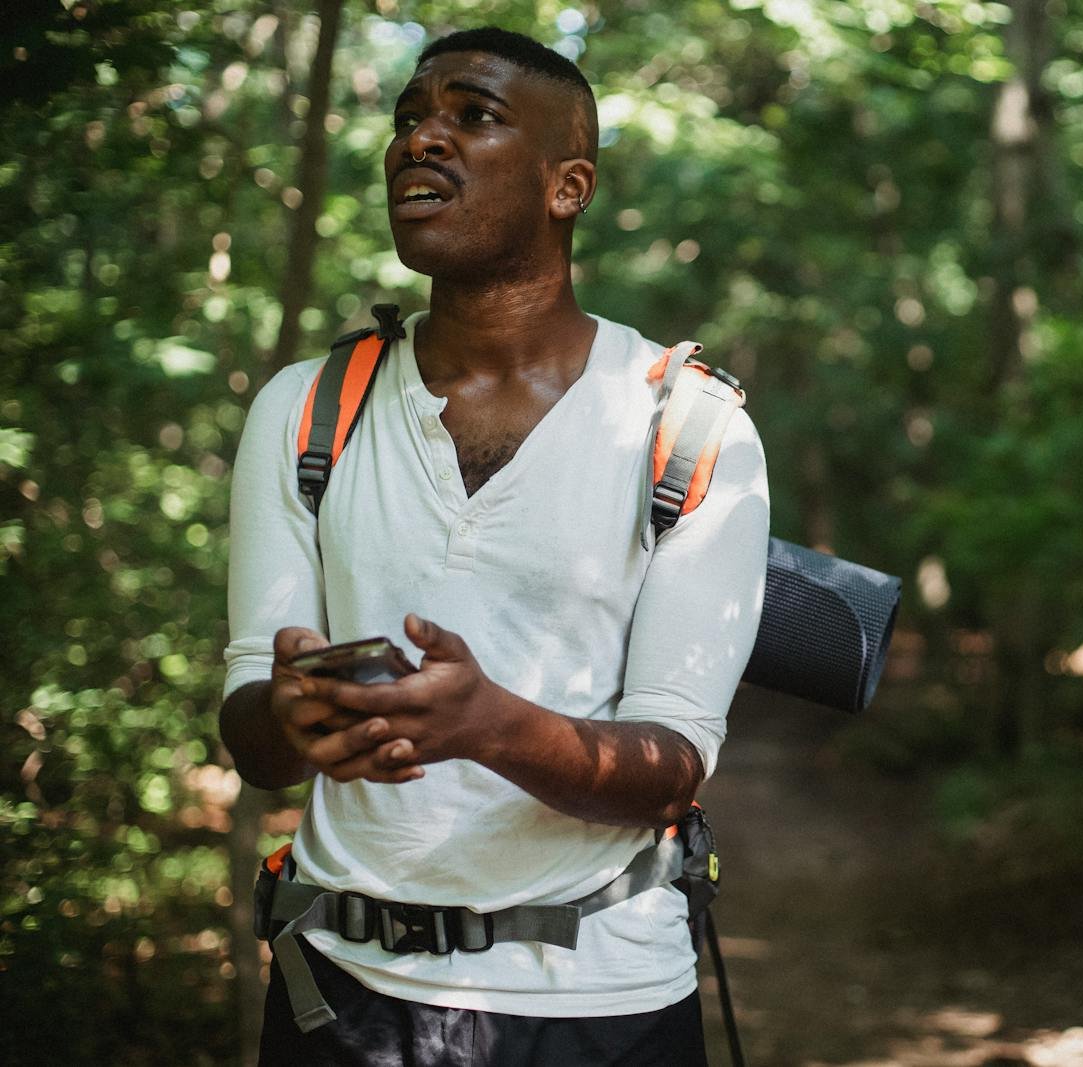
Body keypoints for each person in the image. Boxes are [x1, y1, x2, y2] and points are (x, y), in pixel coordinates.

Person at [219, 26, 769, 1065]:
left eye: (472, 116)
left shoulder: (688, 429)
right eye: (409, 117)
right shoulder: (306, 410)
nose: (419, 139)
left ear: (568, 186)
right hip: (336, 993)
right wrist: (290, 713)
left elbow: (671, 766)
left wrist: (488, 723)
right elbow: (254, 738)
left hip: (602, 1000)